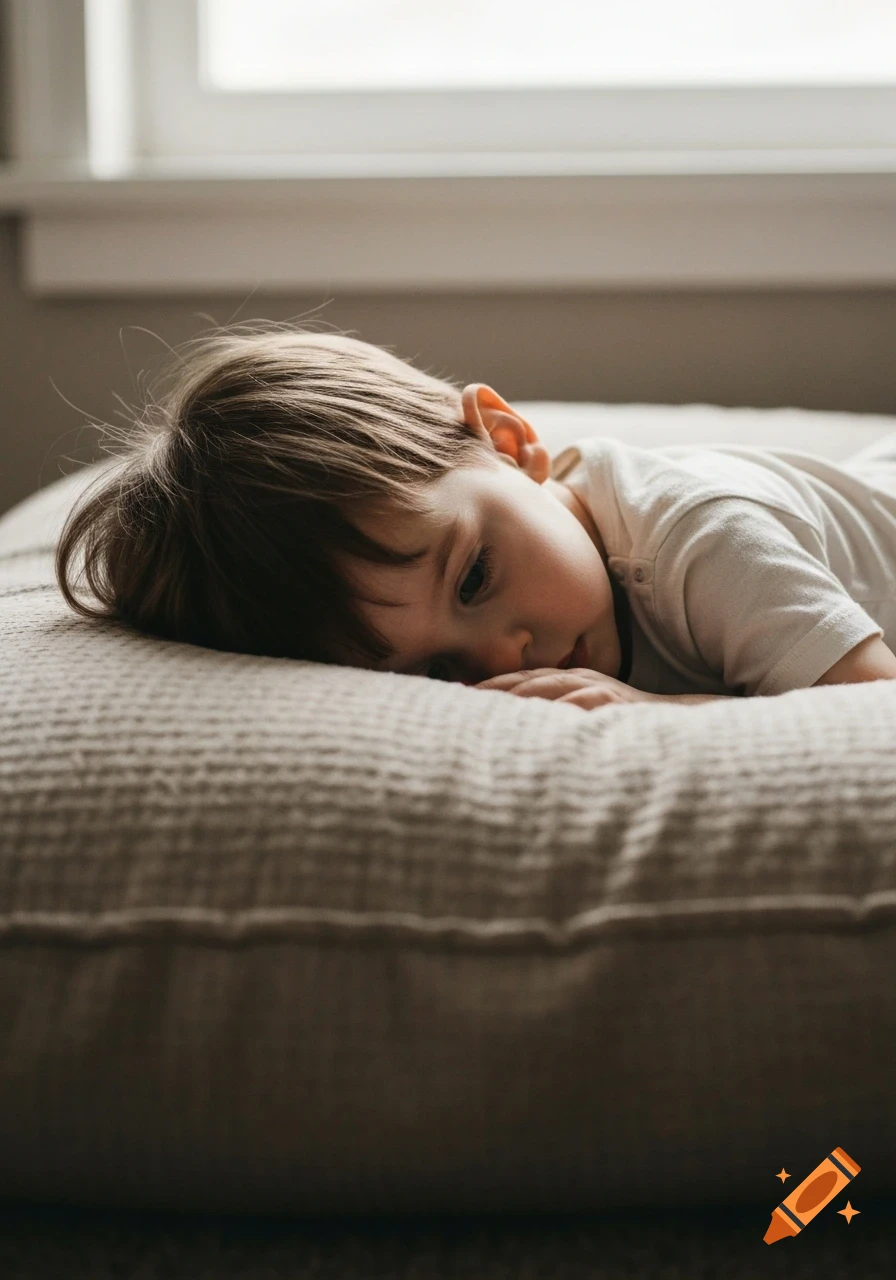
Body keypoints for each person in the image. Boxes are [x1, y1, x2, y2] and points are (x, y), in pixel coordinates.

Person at [55, 321, 896, 713]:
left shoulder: (702, 538)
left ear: (507, 438)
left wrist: (663, 714)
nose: (500, 657)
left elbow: (868, 713)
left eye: (475, 576)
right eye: (436, 672)